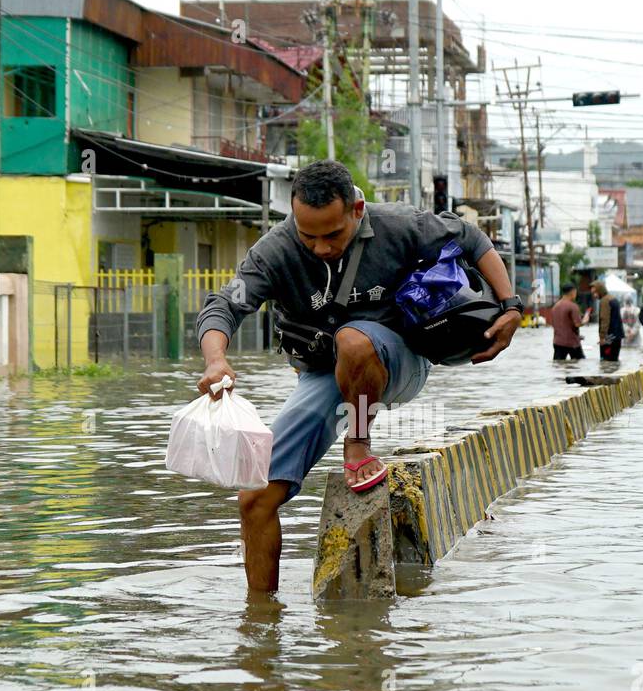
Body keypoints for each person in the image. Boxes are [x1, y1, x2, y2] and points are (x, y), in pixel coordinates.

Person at [196, 159, 522, 593]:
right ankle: (260, 619)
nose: (320, 247)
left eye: (332, 235)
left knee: (353, 340)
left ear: (357, 210)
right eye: (307, 235)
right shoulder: (274, 251)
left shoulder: (401, 225)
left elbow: (471, 237)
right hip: (324, 374)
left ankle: (358, 444)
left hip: (397, 360)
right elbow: (224, 305)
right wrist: (215, 359)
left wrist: (512, 306)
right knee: (254, 497)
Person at [551, 283, 584, 360]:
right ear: (572, 292)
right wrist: (585, 320)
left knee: (558, 365)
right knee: (580, 364)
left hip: (557, 342)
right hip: (572, 343)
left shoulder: (555, 306)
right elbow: (578, 324)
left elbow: (554, 324)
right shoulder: (573, 306)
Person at [592, 280, 624, 361]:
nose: (594, 295)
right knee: (614, 361)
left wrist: (602, 337)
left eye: (595, 293)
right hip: (617, 336)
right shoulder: (613, 298)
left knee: (606, 362)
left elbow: (604, 320)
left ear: (600, 291)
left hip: (609, 338)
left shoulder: (605, 301)